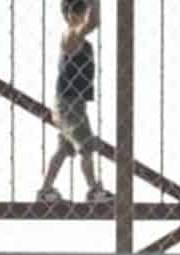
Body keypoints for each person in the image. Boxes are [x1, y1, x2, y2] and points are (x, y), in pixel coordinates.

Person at [36, 0, 111, 206]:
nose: (86, 15)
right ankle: (94, 190)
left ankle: (45, 189)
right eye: (83, 11)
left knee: (63, 149)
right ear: (71, 15)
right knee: (86, 147)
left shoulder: (80, 41)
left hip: (72, 104)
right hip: (69, 105)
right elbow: (94, 22)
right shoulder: (72, 37)